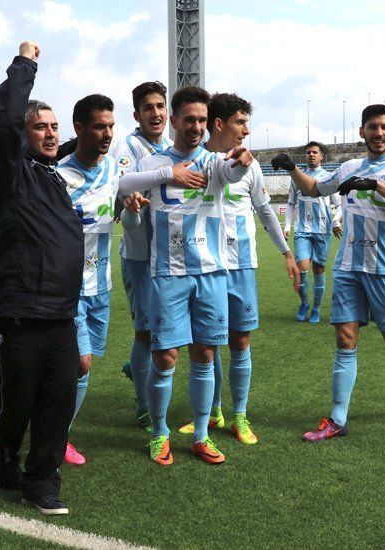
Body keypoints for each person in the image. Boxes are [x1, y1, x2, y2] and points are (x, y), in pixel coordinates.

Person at [271, 103, 385, 442]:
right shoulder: (348, 167)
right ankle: (337, 419)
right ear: (362, 131)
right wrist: (291, 169)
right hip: (348, 267)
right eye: (372, 127)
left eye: (384, 127)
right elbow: (315, 189)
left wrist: (375, 185)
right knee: (345, 340)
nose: (378, 133)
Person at [118, 86, 254, 466]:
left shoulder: (213, 162)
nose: (195, 127)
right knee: (165, 357)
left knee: (205, 353)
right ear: (174, 121)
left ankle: (201, 434)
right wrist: (167, 176)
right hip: (169, 275)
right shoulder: (151, 165)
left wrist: (241, 160)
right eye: (188, 119)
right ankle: (159, 433)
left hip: (211, 272)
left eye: (201, 120)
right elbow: (122, 190)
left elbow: (230, 170)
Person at [0, 40, 83, 515]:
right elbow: (2, 122)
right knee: (16, 398)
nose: (49, 134)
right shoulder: (11, 169)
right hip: (17, 310)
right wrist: (26, 64)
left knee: (58, 397)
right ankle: (3, 463)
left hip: (60, 312)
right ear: (22, 133)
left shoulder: (52, 175)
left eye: (55, 127)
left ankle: (41, 480)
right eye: (39, 126)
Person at [175, 92, 301, 444]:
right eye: (240, 122)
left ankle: (240, 416)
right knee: (207, 342)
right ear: (219, 124)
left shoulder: (251, 167)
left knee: (240, 340)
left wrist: (286, 252)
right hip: (206, 264)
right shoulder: (198, 163)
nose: (246, 130)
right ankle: (213, 413)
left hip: (242, 264)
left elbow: (264, 211)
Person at [55, 94, 120, 466]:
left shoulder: (113, 169)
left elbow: (125, 195)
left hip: (101, 284)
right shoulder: (60, 174)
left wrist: (131, 204)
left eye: (110, 126)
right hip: (68, 286)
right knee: (81, 362)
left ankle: (57, 431)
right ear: (80, 128)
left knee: (82, 364)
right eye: (99, 126)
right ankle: (56, 437)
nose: (107, 133)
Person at [110, 81, 174, 432]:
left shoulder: (171, 147)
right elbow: (121, 186)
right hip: (139, 255)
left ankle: (139, 371)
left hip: (172, 255)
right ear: (137, 114)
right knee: (146, 334)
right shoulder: (127, 146)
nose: (156, 113)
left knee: (165, 332)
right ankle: (143, 406)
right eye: (148, 107)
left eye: (160, 106)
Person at [284, 141, 342, 323]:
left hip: (323, 230)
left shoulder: (328, 177)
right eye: (308, 152)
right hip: (302, 229)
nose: (311, 155)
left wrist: (335, 221)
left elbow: (339, 204)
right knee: (302, 269)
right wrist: (287, 226)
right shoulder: (297, 177)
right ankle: (304, 303)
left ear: (321, 156)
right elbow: (291, 203)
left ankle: (316, 309)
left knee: (318, 269)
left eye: (314, 152)